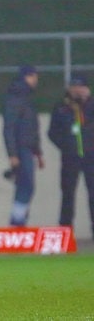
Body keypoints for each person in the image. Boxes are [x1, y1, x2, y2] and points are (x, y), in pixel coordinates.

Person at [48, 74, 94, 240]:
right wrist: (66, 147)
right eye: (73, 87)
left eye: (80, 87)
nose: (76, 90)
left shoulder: (91, 105)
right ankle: (65, 232)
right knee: (68, 195)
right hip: (70, 158)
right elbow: (52, 132)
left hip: (91, 158)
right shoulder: (62, 107)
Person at [2, 64, 44, 226]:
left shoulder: (23, 97)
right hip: (22, 149)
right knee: (26, 186)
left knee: (25, 186)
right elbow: (10, 127)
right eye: (34, 76)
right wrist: (13, 154)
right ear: (28, 76)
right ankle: (17, 222)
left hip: (26, 148)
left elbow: (31, 127)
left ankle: (19, 221)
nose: (36, 79)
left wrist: (38, 152)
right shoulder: (18, 98)